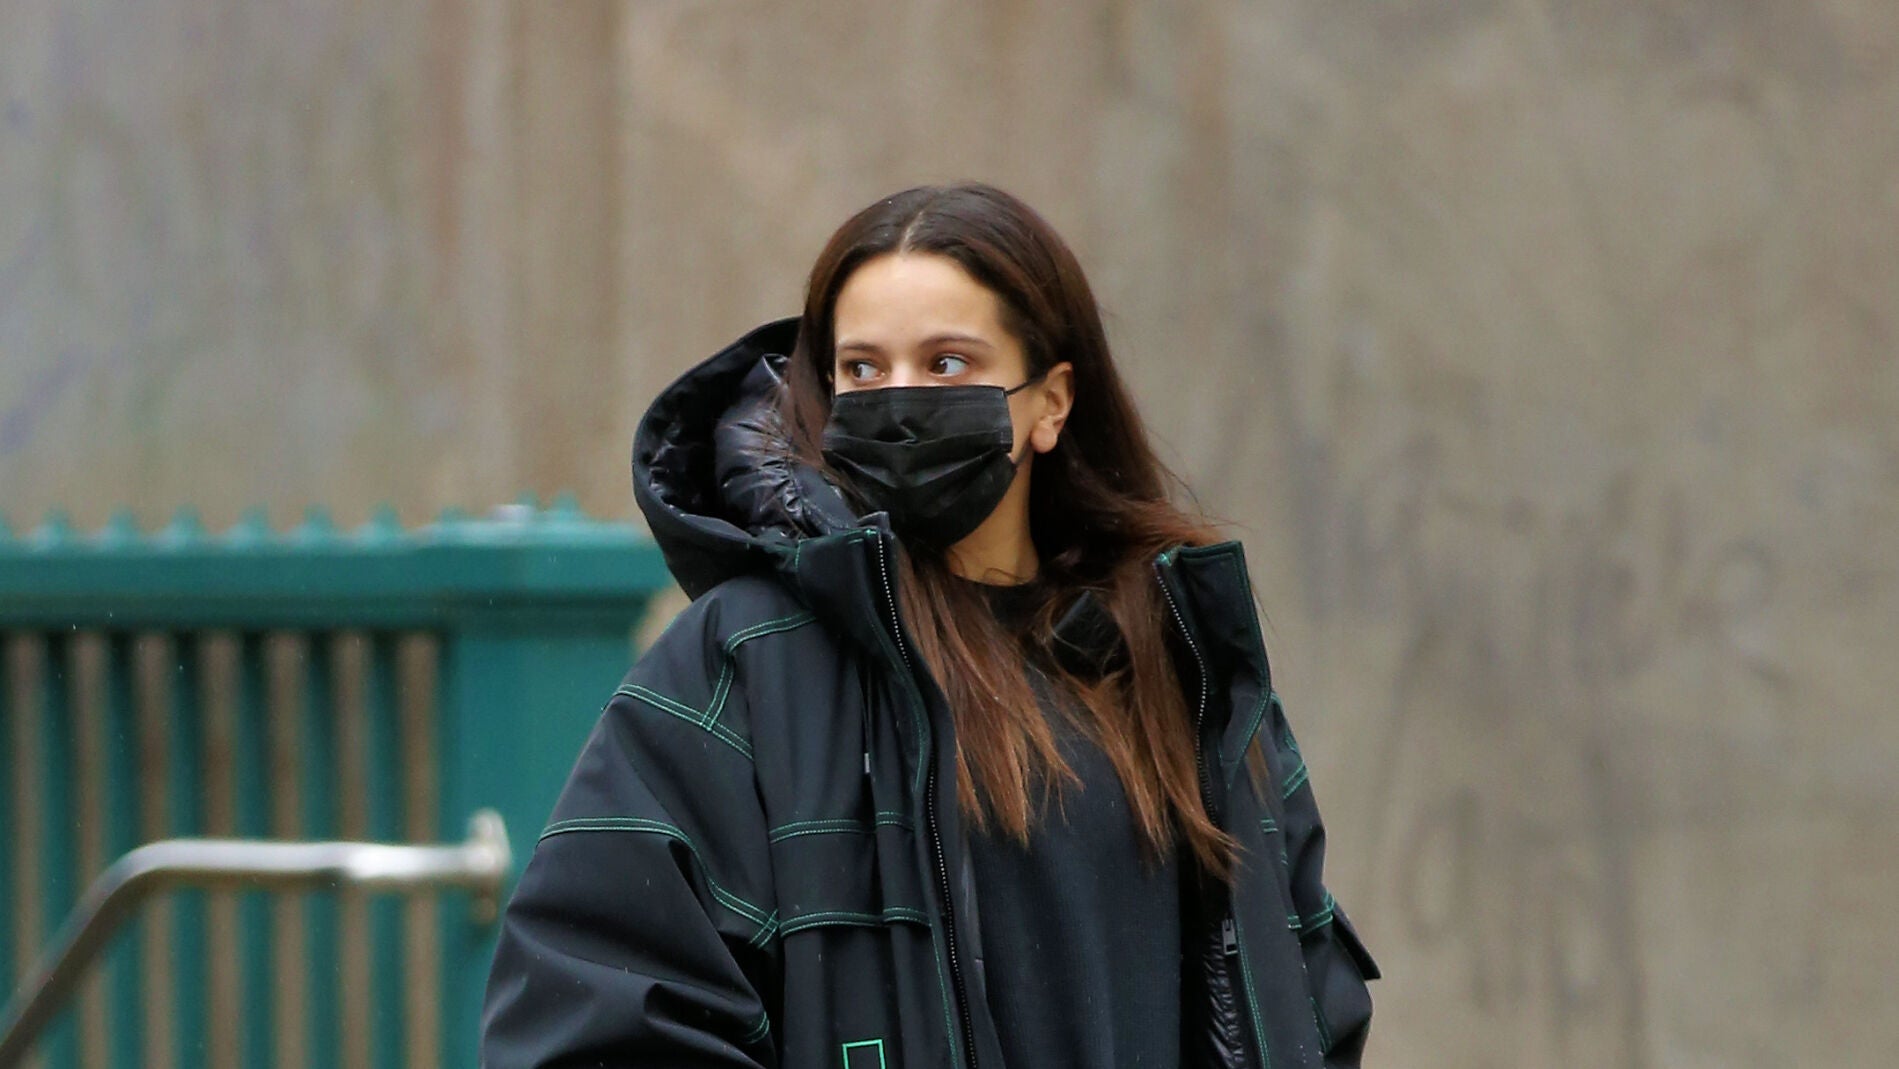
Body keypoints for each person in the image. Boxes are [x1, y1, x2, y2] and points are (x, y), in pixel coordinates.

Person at [480, 183, 1378, 1069]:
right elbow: (597, 1010)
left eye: (946, 364)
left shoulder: (1179, 667)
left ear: (1051, 403)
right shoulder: (748, 664)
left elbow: (1299, 993)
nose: (898, 399)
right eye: (863, 369)